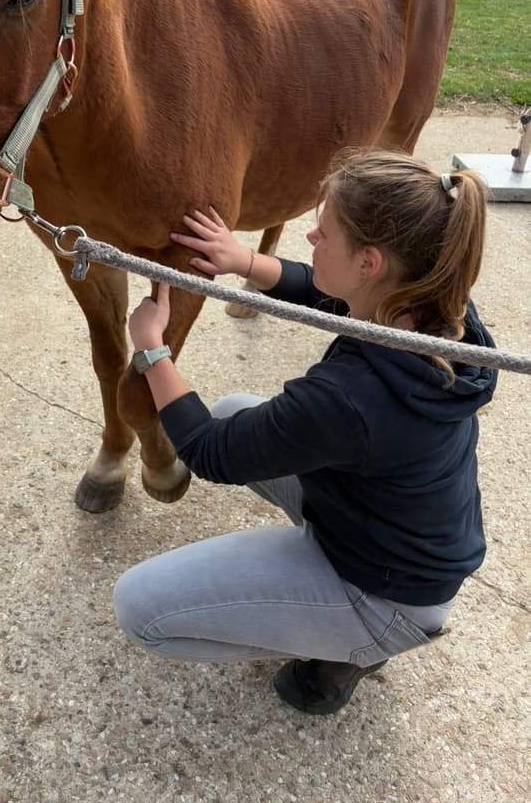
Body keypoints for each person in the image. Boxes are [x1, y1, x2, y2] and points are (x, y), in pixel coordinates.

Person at [115, 148, 496, 715]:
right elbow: (327, 293)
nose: (310, 236)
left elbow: (210, 454)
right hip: (398, 533)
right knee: (231, 408)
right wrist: (242, 259)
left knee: (140, 609)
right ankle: (328, 615)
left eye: (327, 231)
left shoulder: (348, 398)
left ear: (370, 263)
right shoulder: (434, 305)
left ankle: (347, 647)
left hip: (386, 590)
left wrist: (152, 349)